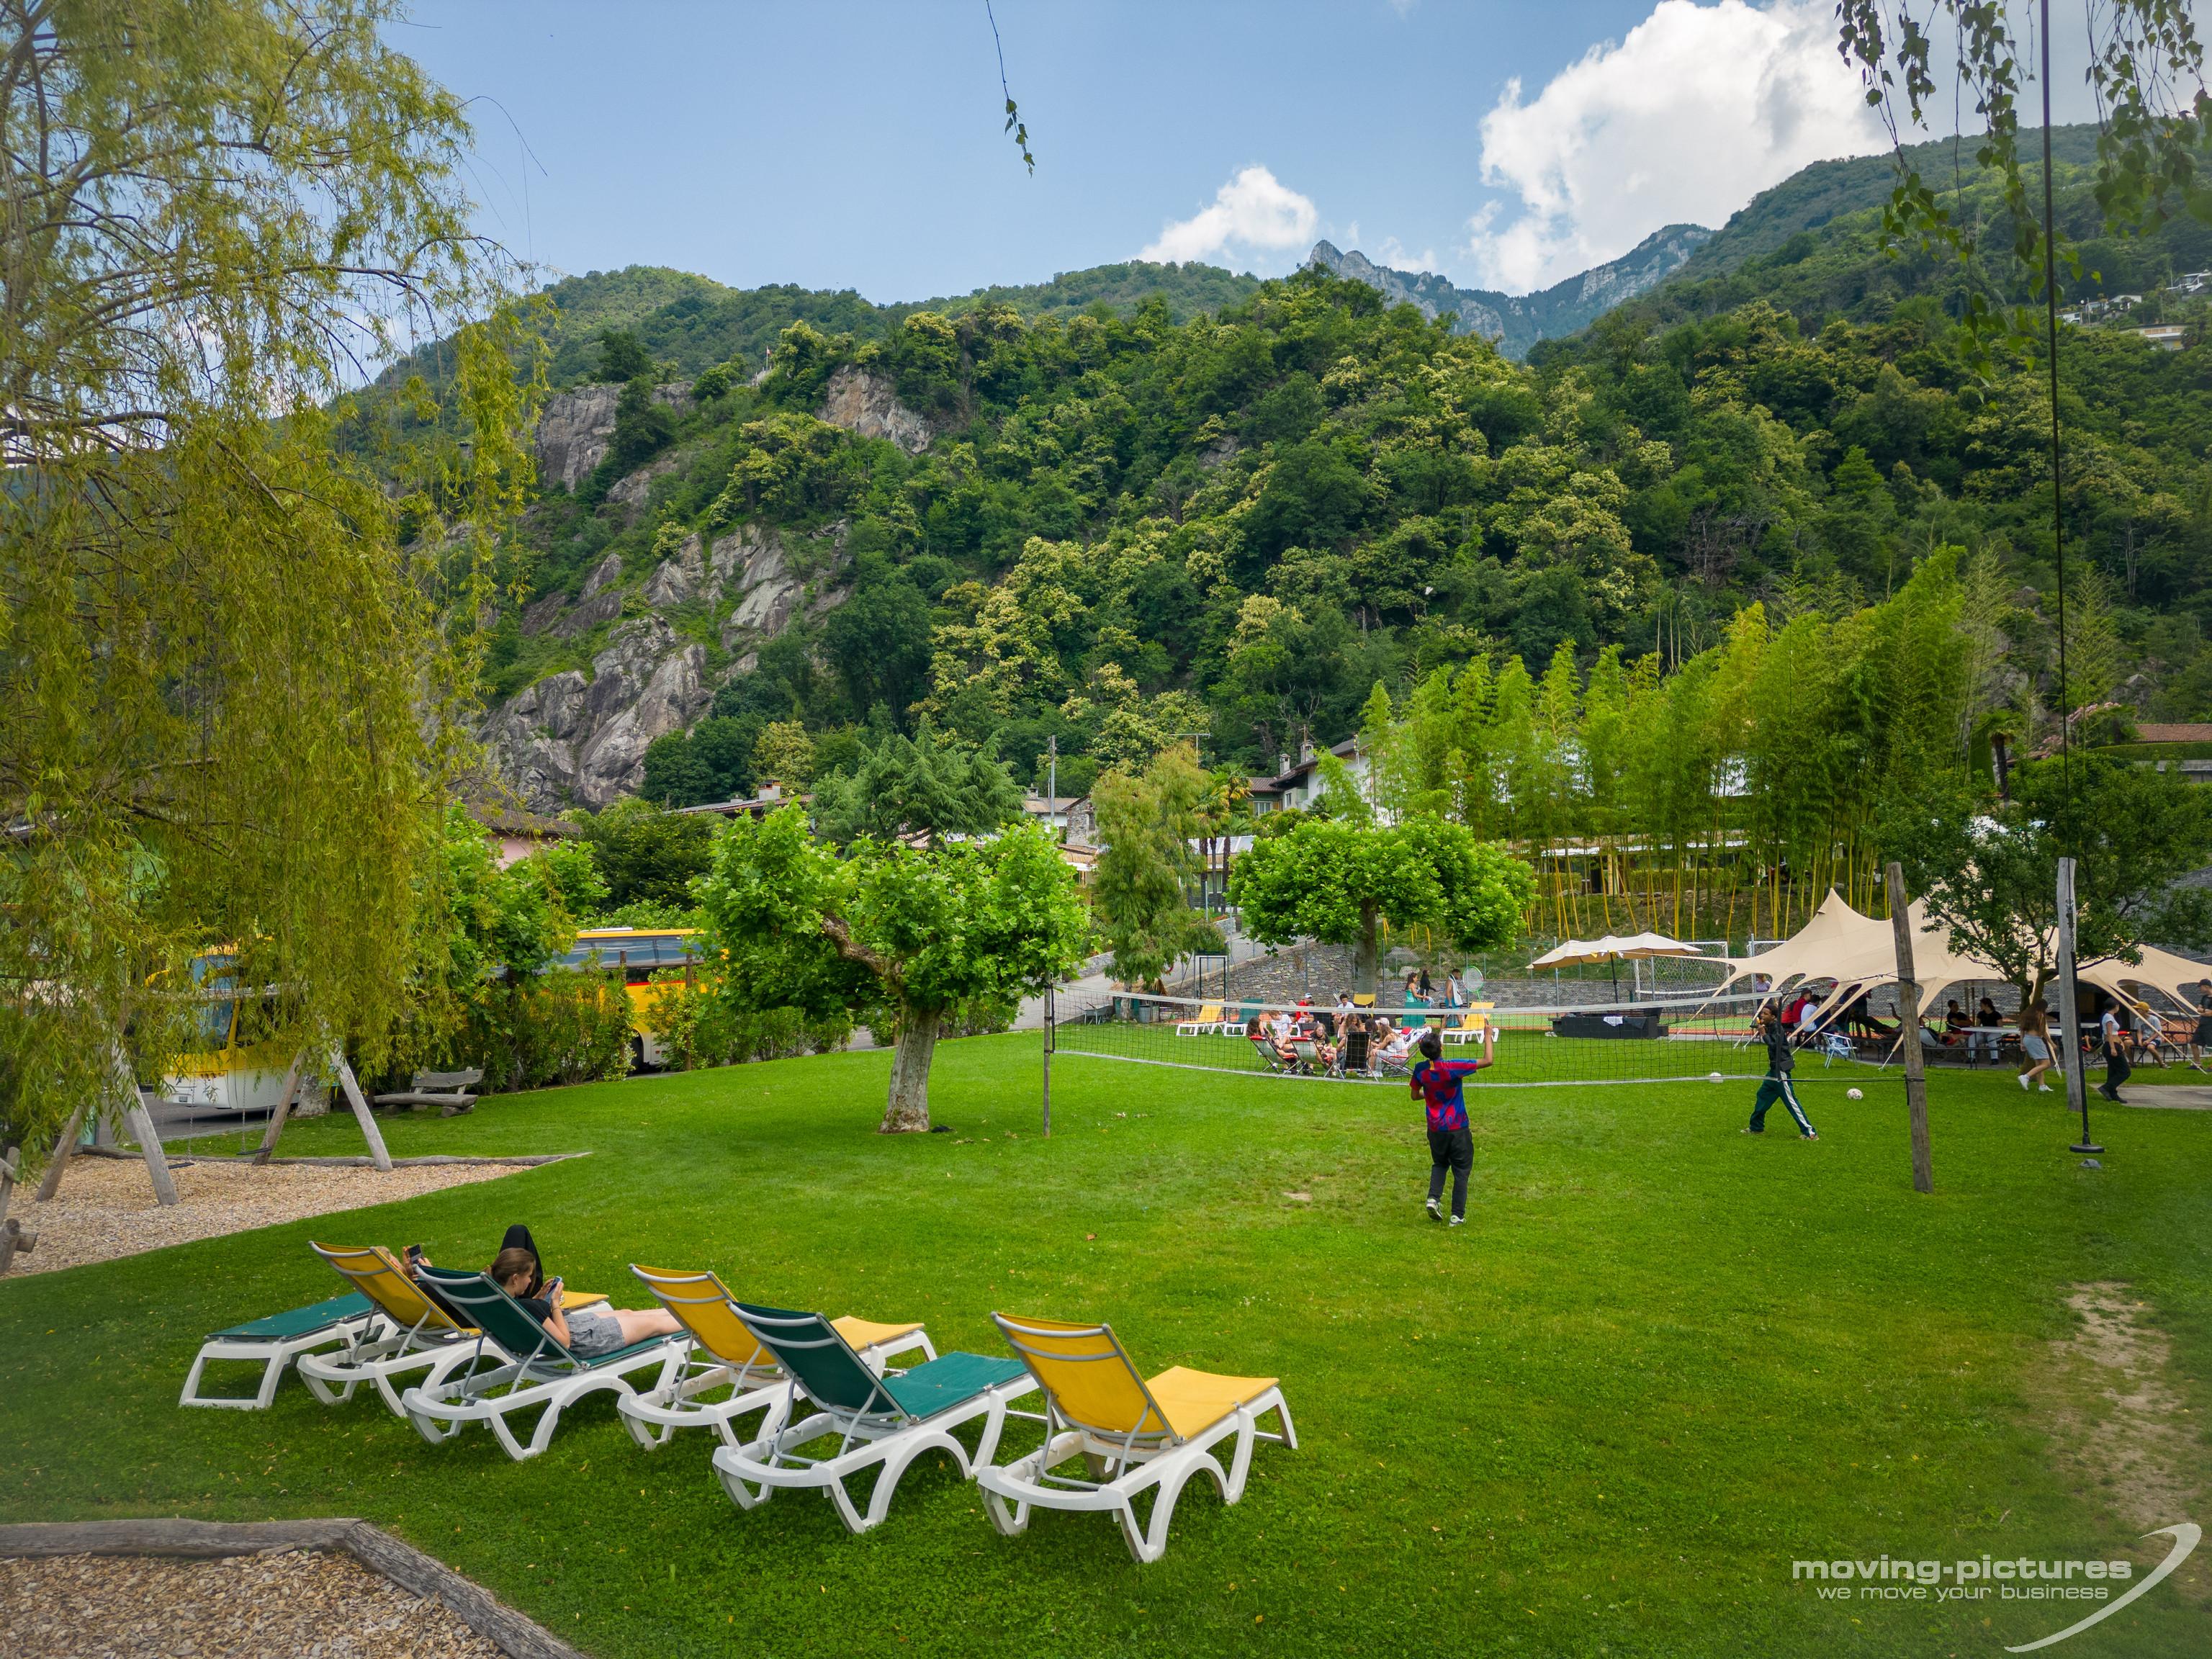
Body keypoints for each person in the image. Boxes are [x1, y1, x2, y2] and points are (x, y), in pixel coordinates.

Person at [489, 1244, 680, 1359]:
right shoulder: (525, 1307)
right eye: (528, 1276)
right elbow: (564, 1342)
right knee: (654, 1325)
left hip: (578, 1327)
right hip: (584, 1339)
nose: (531, 1281)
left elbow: (532, 1317)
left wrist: (538, 1300)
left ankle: (688, 1308)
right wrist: (554, 1302)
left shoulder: (497, 1303)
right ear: (515, 1279)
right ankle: (702, 1318)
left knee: (628, 1313)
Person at [1409, 1025, 1494, 1226]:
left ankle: (1433, 1199)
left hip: (1435, 1129)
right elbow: (1488, 1060)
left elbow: (1414, 1096)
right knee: (1461, 1171)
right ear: (1442, 1049)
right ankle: (1457, 1216)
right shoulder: (1453, 1067)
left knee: (1440, 1163)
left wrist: (1429, 1094)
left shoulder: (1421, 1070)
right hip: (1457, 1129)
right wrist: (1488, 1036)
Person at [1744, 1004, 1817, 1139]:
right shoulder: (1771, 1026)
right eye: (1762, 1013)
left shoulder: (1777, 1027)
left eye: (1765, 1014)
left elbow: (1774, 1045)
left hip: (1781, 1069)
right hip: (1773, 1070)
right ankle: (1756, 1127)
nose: (1762, 1016)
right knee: (1763, 1095)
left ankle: (1810, 1133)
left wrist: (1763, 1034)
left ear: (1773, 1016)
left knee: (1791, 1102)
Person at [2015, 1004, 2059, 1093]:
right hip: (2036, 1040)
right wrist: (2051, 1043)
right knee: (2046, 1064)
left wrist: (2022, 1043)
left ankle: (2042, 1086)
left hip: (2027, 1039)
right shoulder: (2040, 1015)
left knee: (2039, 1065)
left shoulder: (2027, 1016)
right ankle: (2026, 1077)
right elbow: (2043, 1031)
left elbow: (2022, 1030)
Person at [2100, 999, 2132, 1102]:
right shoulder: (2108, 1017)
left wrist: (2120, 1042)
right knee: (2125, 1071)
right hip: (2111, 1046)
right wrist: (2113, 1048)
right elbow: (2109, 1034)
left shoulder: (2110, 1016)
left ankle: (2113, 1093)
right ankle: (2106, 1087)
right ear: (2116, 1006)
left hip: (2115, 1044)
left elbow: (2114, 1033)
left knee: (2113, 1071)